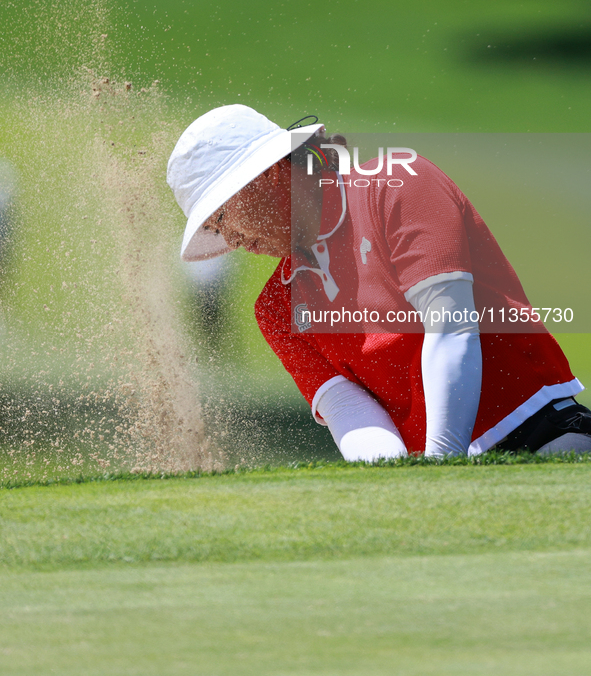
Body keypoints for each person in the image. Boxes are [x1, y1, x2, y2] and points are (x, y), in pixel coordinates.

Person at [167, 104, 591, 461]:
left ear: (266, 176)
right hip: (435, 468)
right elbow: (348, 409)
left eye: (220, 217)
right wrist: (397, 485)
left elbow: (452, 327)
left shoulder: (397, 186)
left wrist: (443, 464)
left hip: (538, 431)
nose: (229, 239)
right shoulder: (277, 308)